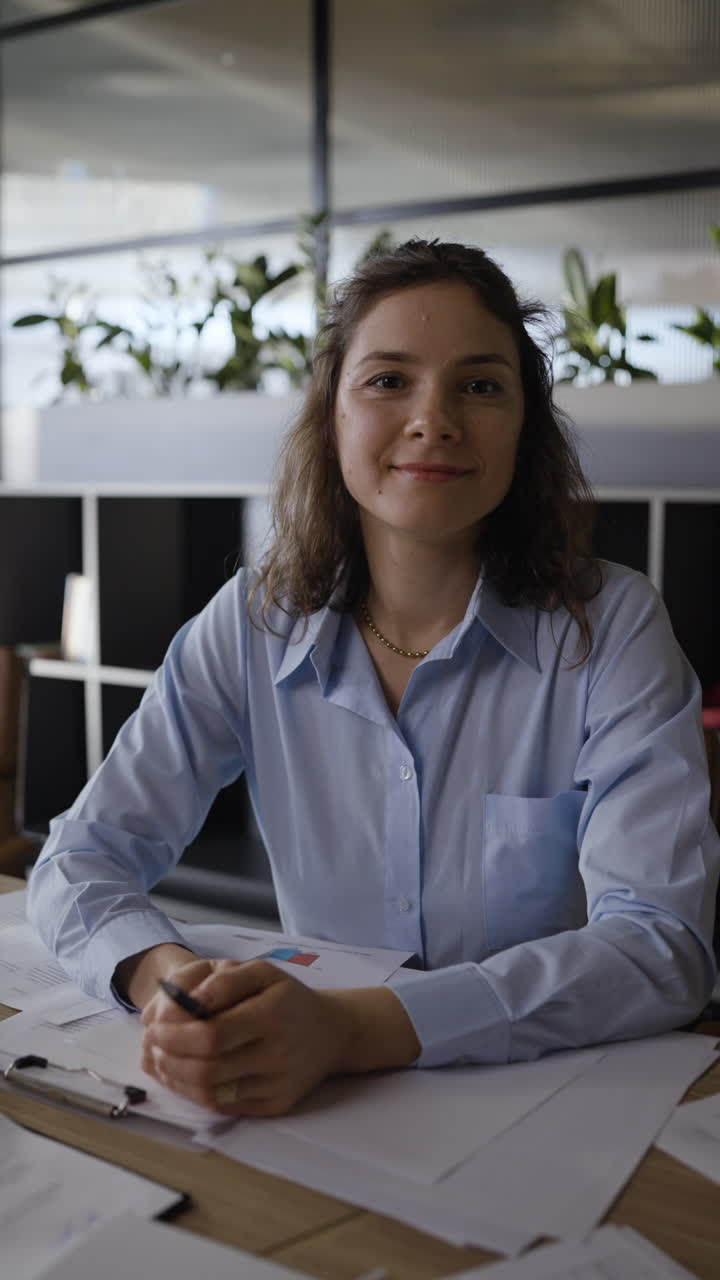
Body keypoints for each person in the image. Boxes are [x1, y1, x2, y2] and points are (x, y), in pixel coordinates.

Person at [27, 239, 719, 1119]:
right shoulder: (250, 622)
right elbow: (81, 858)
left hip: (539, 1106)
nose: (433, 419)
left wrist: (353, 1030)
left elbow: (662, 948)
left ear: (525, 426)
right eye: (389, 380)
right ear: (334, 415)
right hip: (295, 1102)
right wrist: (175, 987)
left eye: (480, 385)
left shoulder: (611, 627)